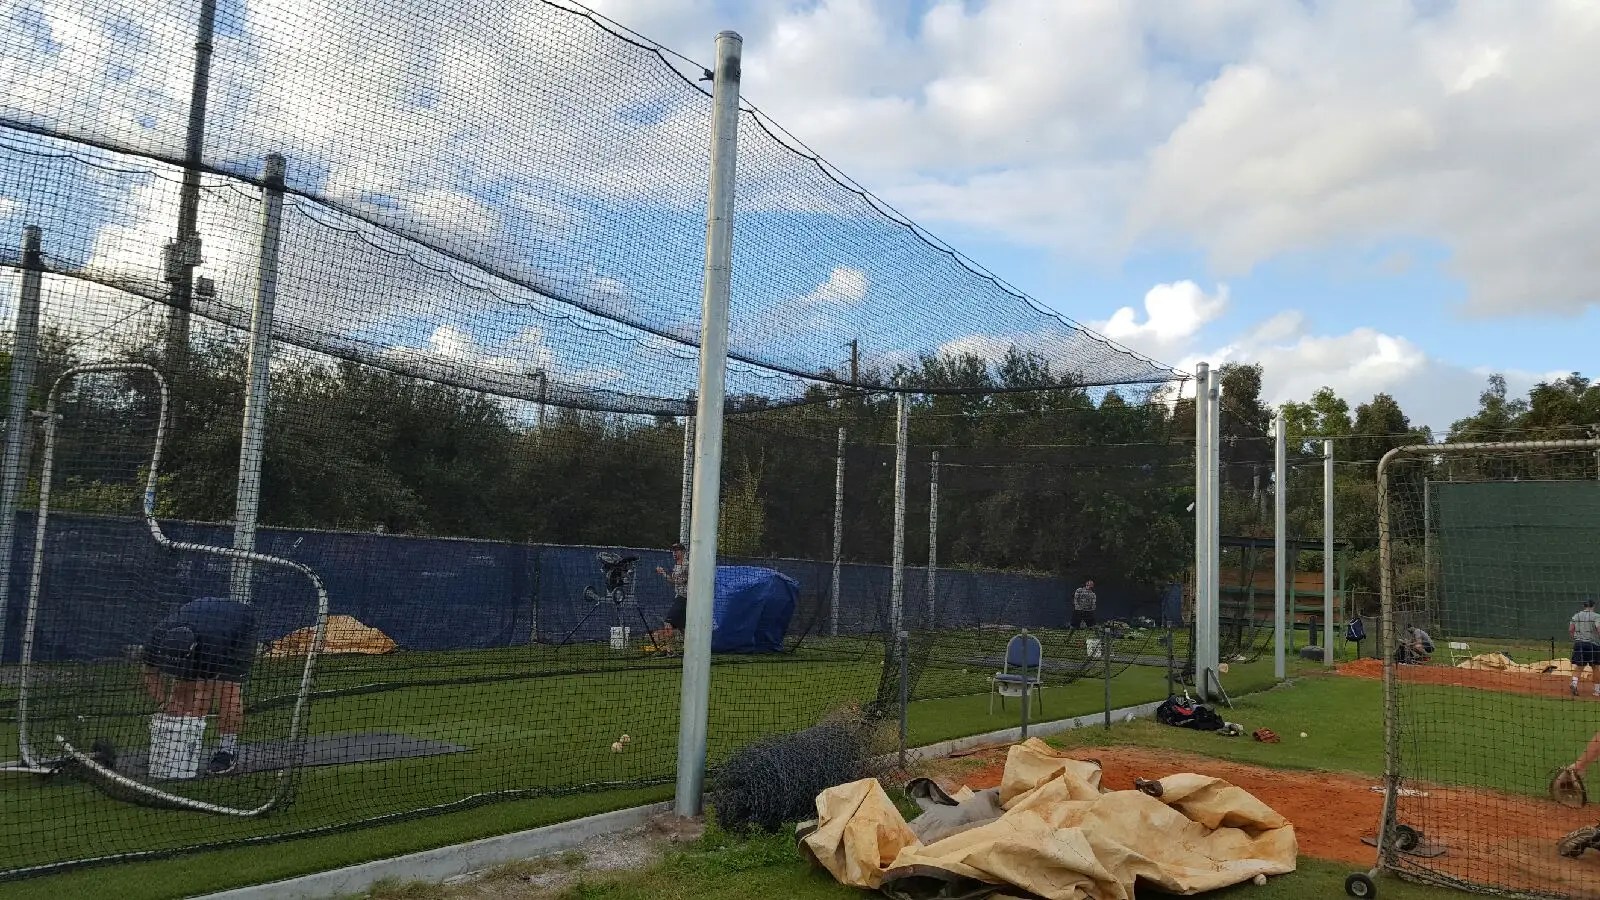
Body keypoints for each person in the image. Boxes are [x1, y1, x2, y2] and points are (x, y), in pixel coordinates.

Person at [141, 596, 257, 775]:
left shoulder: (214, 647)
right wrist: (163, 702)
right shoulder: (155, 638)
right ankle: (181, 747)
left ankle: (227, 750)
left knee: (228, 691)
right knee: (182, 687)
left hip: (238, 627)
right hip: (201, 615)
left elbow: (204, 689)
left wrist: (190, 722)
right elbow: (149, 673)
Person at [655, 542, 688, 656]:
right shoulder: (677, 565)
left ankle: (670, 650)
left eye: (677, 550)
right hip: (680, 597)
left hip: (684, 598)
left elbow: (680, 581)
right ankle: (690, 649)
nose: (674, 553)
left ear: (683, 551)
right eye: (673, 551)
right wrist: (663, 573)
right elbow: (672, 580)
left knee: (668, 623)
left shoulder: (686, 565)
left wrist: (664, 573)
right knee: (682, 626)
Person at [1572, 599, 1600, 696]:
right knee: (1596, 667)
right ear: (1593, 606)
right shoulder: (1596, 616)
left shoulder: (1576, 615)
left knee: (1579, 666)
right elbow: (1599, 628)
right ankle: (1597, 691)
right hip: (1592, 644)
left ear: (1584, 606)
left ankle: (1574, 683)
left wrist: (1576, 638)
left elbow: (1571, 629)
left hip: (1579, 644)